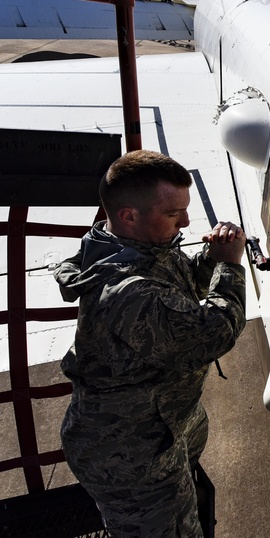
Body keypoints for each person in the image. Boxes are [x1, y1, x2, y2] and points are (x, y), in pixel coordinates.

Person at [57, 150, 247, 537]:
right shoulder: (125, 288)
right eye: (174, 213)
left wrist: (210, 258)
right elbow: (212, 333)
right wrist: (229, 266)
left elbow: (179, 289)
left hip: (160, 427)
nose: (187, 222)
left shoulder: (136, 245)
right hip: (129, 456)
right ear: (129, 215)